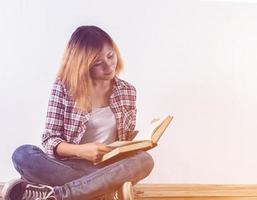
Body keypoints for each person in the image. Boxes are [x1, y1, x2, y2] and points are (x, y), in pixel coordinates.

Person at [2, 25, 154, 200]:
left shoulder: (127, 91)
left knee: (145, 160)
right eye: (98, 63)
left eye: (110, 55)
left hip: (107, 167)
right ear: (82, 65)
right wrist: (81, 151)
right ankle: (105, 192)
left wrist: (143, 137)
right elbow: (50, 140)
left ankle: (56, 194)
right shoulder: (64, 87)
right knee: (22, 154)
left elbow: (125, 141)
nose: (108, 65)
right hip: (68, 166)